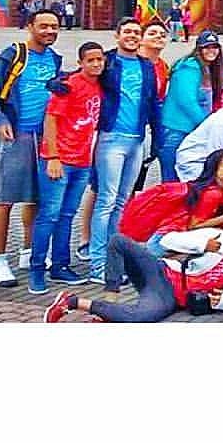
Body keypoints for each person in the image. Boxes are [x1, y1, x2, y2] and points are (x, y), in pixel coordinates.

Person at [44, 208, 223, 323]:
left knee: (140, 317)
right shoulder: (214, 236)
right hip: (161, 272)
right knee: (118, 241)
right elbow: (166, 240)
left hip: (171, 298)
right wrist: (201, 245)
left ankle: (72, 302)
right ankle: (110, 300)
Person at [0, 8, 63, 287]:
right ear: (30, 26)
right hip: (16, 136)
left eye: (54, 26)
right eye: (44, 26)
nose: (49, 31)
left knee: (36, 197)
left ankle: (28, 251)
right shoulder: (12, 54)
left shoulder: (54, 58)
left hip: (45, 138)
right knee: (5, 198)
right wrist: (0, 120)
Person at [89, 18, 163, 286]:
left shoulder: (146, 66)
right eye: (127, 32)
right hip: (111, 138)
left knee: (121, 202)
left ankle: (114, 261)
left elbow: (152, 103)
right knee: (106, 201)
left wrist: (156, 139)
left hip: (136, 140)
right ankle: (97, 263)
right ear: (117, 35)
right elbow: (82, 75)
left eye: (136, 32)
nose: (132, 36)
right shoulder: (107, 61)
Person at [28, 41, 106, 293]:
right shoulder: (69, 85)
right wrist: (52, 156)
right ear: (80, 62)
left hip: (82, 162)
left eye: (100, 59)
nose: (96, 64)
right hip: (59, 160)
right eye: (90, 60)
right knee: (49, 215)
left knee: (67, 215)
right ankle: (36, 269)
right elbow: (51, 119)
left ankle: (60, 265)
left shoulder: (100, 86)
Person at [159, 31, 223, 183]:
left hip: (191, 131)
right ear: (199, 49)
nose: (211, 50)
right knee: (172, 181)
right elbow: (187, 101)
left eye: (215, 47)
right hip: (176, 130)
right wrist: (208, 125)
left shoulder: (208, 69)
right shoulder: (189, 67)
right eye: (207, 47)